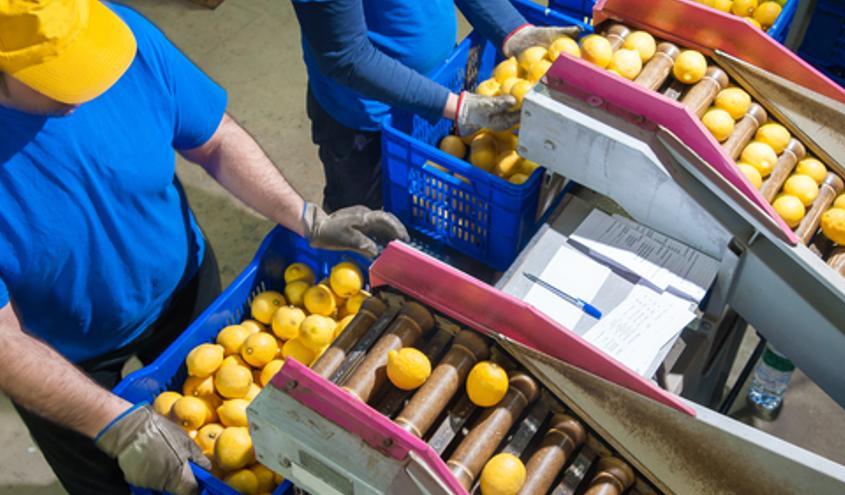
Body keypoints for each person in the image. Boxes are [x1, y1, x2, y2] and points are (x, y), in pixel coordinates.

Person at [0, 1, 408, 494]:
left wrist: (305, 217)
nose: (93, 86)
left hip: (183, 286)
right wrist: (115, 423)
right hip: (61, 352)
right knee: (110, 478)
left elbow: (214, 140)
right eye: (61, 74)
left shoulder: (122, 39)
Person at [292, 0, 580, 211]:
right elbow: (345, 58)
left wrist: (511, 30)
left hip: (436, 92)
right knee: (361, 217)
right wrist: (458, 107)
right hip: (365, 119)